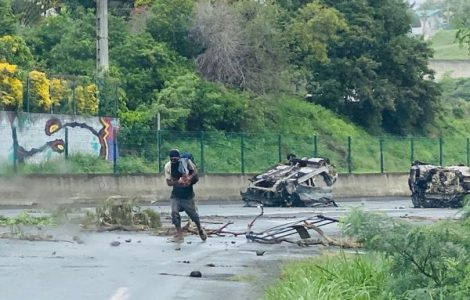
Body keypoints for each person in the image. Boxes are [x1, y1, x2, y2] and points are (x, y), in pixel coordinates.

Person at [164, 149, 207, 242]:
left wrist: (189, 178)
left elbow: (195, 171)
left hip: (187, 194)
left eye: (176, 159)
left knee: (193, 215)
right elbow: (168, 182)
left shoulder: (186, 162)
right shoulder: (168, 167)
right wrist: (177, 182)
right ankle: (179, 234)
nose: (174, 161)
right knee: (174, 213)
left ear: (179, 158)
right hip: (176, 194)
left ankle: (200, 229)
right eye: (172, 159)